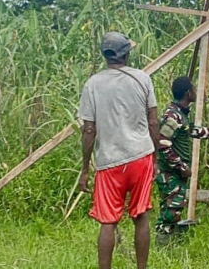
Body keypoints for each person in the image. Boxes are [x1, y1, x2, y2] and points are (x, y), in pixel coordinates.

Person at [77, 32, 159, 269]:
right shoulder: (142, 79)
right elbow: (153, 121)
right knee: (141, 216)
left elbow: (89, 130)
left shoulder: (93, 84)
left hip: (109, 162)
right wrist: (154, 157)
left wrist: (85, 168)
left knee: (108, 222)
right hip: (141, 156)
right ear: (127, 53)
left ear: (105, 56)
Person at [155, 77, 209, 244]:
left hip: (174, 172)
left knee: (171, 208)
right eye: (194, 89)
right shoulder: (173, 115)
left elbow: (193, 131)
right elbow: (162, 143)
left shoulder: (181, 115)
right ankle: (164, 245)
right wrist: (181, 166)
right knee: (171, 211)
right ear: (188, 93)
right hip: (170, 173)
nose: (196, 92)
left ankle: (165, 244)